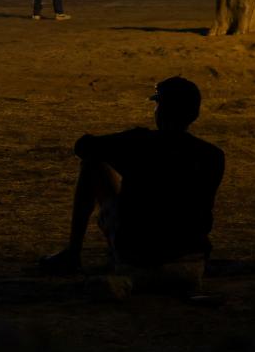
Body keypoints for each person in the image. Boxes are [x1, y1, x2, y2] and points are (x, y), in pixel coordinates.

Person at [39, 77, 225, 275]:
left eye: (158, 104)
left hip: (137, 252)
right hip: (191, 252)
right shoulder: (213, 155)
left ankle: (73, 253)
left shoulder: (139, 143)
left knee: (92, 164)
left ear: (161, 111)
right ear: (193, 113)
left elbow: (83, 146)